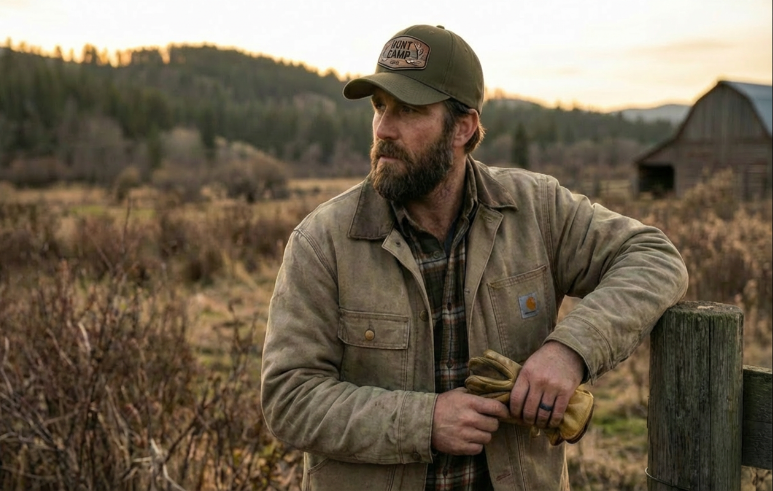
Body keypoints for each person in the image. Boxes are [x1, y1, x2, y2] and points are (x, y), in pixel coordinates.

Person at [260, 24, 688, 491]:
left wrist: (570, 351)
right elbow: (289, 397)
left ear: (463, 127)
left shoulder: (534, 210)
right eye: (380, 107)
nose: (383, 128)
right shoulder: (322, 242)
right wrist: (424, 422)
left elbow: (654, 257)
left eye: (408, 110)